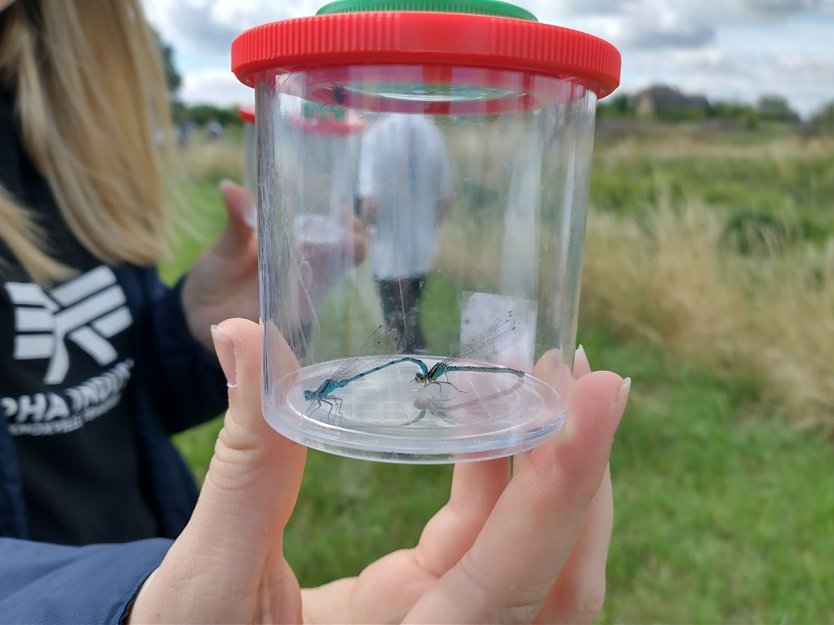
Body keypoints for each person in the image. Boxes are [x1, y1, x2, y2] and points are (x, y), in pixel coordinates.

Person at [0, 1, 631, 623]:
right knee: (408, 323)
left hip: (146, 544)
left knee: (405, 324)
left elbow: (104, 390)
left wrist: (186, 331)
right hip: (123, 584)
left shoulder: (64, 144)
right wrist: (113, 607)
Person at [358, 113, 453, 353]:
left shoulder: (376, 135)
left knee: (399, 328)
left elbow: (371, 204)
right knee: (410, 321)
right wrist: (425, 228)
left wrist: (365, 227)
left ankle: (414, 373)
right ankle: (419, 368)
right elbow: (445, 200)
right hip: (421, 252)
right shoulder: (433, 133)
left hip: (387, 254)